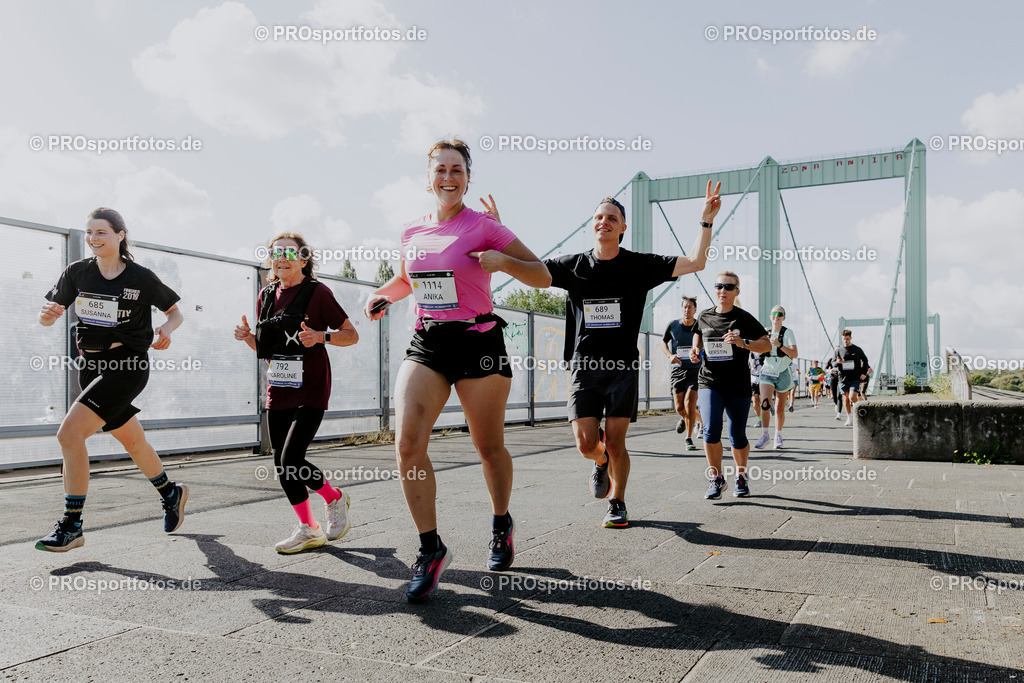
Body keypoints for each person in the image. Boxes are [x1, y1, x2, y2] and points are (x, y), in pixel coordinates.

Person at [364, 137, 550, 603]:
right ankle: (430, 548)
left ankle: (501, 522)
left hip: (478, 342)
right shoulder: (412, 231)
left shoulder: (483, 225)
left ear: (469, 177)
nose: (448, 177)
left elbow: (542, 275)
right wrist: (383, 294)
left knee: (488, 447)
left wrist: (502, 260)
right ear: (428, 177)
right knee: (407, 445)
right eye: (441, 169)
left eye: (457, 169)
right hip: (428, 341)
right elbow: (408, 280)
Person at [545, 183, 719, 527]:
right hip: (584, 366)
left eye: (612, 217)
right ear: (592, 225)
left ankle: (618, 502)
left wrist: (705, 221)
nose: (604, 221)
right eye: (598, 217)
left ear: (623, 227)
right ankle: (599, 461)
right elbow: (531, 269)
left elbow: (696, 261)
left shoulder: (639, 266)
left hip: (622, 367)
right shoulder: (573, 266)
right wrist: (498, 237)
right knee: (586, 443)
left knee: (619, 439)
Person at [35, 208, 187, 552]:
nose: (93, 239)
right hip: (91, 367)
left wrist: (166, 328)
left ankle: (72, 525)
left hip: (128, 365)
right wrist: (46, 316)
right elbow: (48, 315)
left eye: (101, 232)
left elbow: (175, 312)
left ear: (120, 235)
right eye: (90, 233)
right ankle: (170, 493)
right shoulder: (77, 273)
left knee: (69, 434)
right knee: (132, 442)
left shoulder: (140, 277)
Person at [235, 234, 358, 554]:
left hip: (311, 387)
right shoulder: (266, 295)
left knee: (290, 457)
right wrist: (249, 337)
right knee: (283, 463)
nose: (281, 257)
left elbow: (351, 335)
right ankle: (313, 524)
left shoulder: (318, 293)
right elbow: (267, 350)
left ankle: (327, 505)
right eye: (275, 252)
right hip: (279, 386)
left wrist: (321, 336)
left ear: (304, 259)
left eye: (289, 252)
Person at [690, 271, 771, 500]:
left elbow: (766, 345)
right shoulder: (704, 316)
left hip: (737, 384)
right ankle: (716, 478)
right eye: (719, 286)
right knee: (710, 430)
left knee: (737, 434)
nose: (723, 291)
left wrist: (743, 342)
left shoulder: (744, 318)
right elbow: (697, 334)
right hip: (709, 381)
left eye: (728, 287)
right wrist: (696, 349)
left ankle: (741, 476)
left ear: (737, 291)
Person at [753, 306, 798, 450]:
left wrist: (779, 345)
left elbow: (794, 353)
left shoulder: (788, 332)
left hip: (783, 371)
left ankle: (778, 435)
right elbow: (757, 348)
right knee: (765, 403)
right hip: (767, 371)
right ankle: (765, 435)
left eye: (780, 314)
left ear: (784, 317)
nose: (776, 316)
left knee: (779, 407)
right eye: (774, 314)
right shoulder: (764, 332)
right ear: (770, 316)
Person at [660, 296, 701, 451]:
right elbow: (664, 341)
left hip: (695, 369)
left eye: (690, 307)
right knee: (679, 408)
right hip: (678, 370)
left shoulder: (699, 326)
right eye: (685, 307)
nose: (687, 309)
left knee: (689, 403)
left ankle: (688, 438)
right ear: (681, 308)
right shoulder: (673, 325)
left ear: (695, 309)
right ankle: (695, 420)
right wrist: (670, 355)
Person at [833, 329, 870, 425]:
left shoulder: (857, 349)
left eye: (848, 339)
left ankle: (856, 408)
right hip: (843, 378)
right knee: (845, 398)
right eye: (844, 339)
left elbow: (865, 361)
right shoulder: (838, 350)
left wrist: (864, 373)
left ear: (851, 338)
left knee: (852, 397)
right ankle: (849, 418)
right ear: (842, 339)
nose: (846, 341)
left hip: (854, 378)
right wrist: (838, 362)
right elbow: (833, 363)